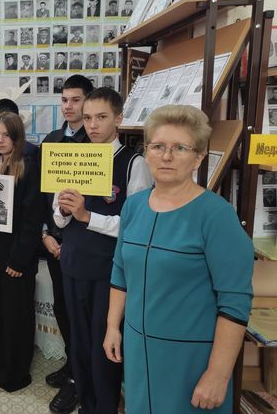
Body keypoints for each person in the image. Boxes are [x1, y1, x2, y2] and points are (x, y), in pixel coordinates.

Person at [103, 105, 254, 414]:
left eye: (180, 148)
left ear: (198, 157)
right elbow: (120, 272)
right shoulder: (134, 206)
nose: (167, 156)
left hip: (191, 361)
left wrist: (218, 374)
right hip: (139, 352)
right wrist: (112, 326)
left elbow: (234, 302)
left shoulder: (216, 215)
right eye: (158, 146)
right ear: (146, 152)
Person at [51, 88, 153, 414]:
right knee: (79, 342)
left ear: (118, 118)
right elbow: (57, 216)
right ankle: (85, 400)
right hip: (72, 263)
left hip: (109, 273)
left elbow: (135, 226)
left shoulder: (133, 163)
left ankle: (104, 406)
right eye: (88, 118)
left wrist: (87, 216)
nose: (92, 125)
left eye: (101, 117)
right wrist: (64, 211)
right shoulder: (73, 157)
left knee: (105, 344)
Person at [0, 113, 43, 392]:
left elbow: (32, 219)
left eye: (6, 135)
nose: (0, 140)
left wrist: (18, 260)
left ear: (17, 138)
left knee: (16, 317)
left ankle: (15, 376)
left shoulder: (28, 167)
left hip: (16, 259)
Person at [40, 75, 93, 405]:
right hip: (54, 241)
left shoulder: (95, 143)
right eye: (64, 100)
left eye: (76, 100)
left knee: (82, 314)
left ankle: (80, 378)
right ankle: (73, 365)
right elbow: (43, 194)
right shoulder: (52, 140)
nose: (69, 106)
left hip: (84, 243)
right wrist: (45, 234)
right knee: (62, 307)